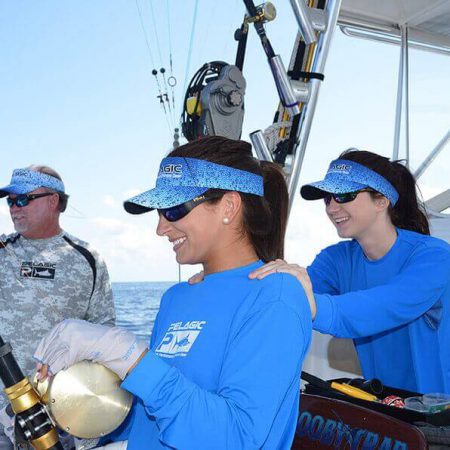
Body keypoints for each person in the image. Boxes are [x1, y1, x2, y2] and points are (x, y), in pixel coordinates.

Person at [33, 136, 312, 450]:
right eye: (159, 212)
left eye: (174, 209)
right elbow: (148, 420)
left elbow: (239, 437)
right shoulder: (176, 298)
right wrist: (73, 400)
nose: (161, 228)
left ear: (229, 206)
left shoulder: (276, 296)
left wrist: (130, 357)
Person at [249, 149, 450, 394]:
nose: (332, 208)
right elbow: (284, 297)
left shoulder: (434, 257)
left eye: (343, 195)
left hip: (438, 409)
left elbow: (384, 306)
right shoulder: (337, 260)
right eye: (327, 198)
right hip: (387, 406)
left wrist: (312, 306)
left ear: (382, 200)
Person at [0, 165, 116, 449]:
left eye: (23, 199)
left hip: (58, 416)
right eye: (10, 201)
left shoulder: (87, 258)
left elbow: (105, 334)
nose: (14, 208)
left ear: (53, 200)